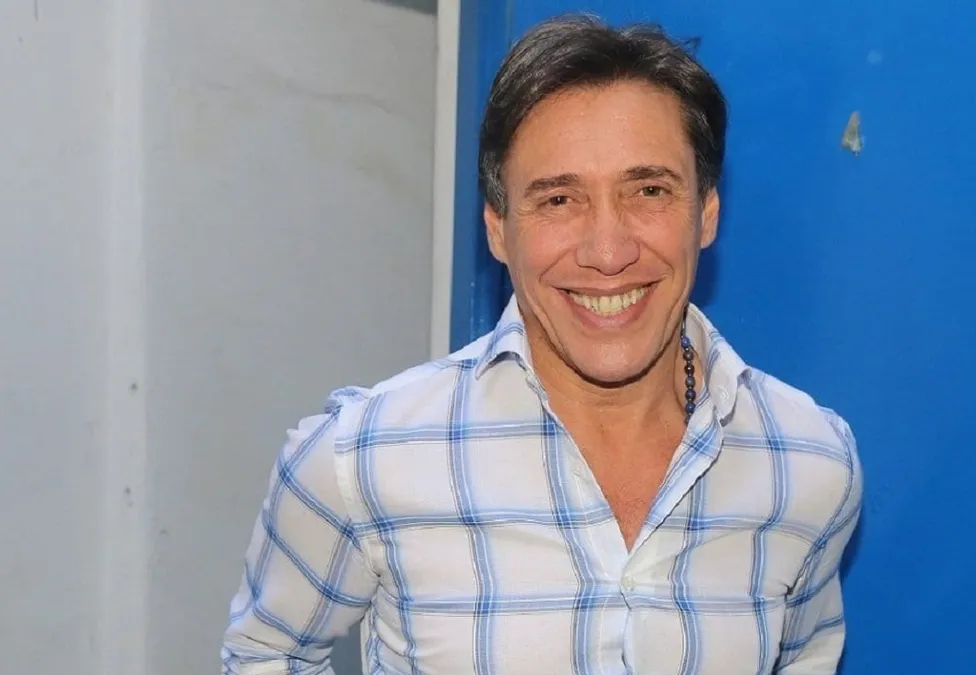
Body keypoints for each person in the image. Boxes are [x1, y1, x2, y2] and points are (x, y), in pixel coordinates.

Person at [221, 13, 862, 675]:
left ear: (706, 213)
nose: (608, 251)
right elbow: (266, 653)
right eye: (558, 199)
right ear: (498, 230)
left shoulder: (809, 462)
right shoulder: (361, 459)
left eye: (648, 190)